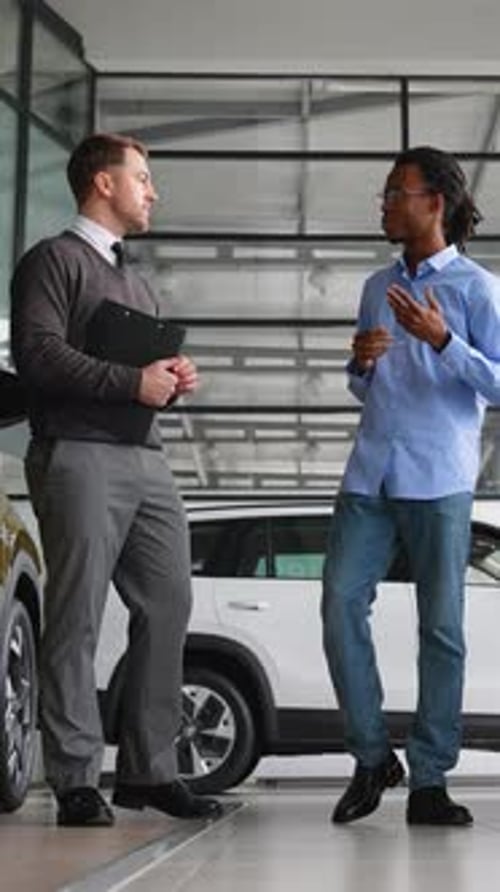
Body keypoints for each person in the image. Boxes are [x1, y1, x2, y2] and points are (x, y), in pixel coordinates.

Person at [10, 132, 222, 827]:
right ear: (103, 183)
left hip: (146, 455)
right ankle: (75, 777)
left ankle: (150, 770)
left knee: (169, 603)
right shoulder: (52, 260)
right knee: (76, 615)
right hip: (78, 453)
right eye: (142, 177)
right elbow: (39, 355)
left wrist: (172, 378)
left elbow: (142, 373)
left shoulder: (135, 279)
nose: (152, 191)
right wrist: (135, 380)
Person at [322, 145, 500, 827]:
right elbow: (364, 381)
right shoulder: (375, 286)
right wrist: (359, 364)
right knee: (339, 604)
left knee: (442, 629)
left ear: (437, 202)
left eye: (397, 191)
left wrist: (444, 340)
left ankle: (430, 779)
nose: (385, 203)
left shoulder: (477, 289)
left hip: (440, 478)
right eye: (386, 192)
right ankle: (372, 757)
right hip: (370, 471)